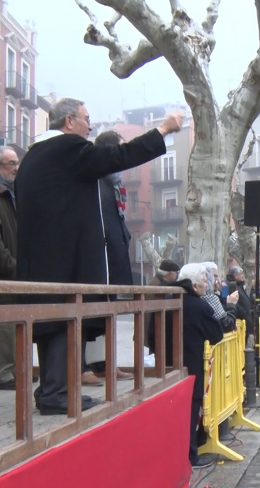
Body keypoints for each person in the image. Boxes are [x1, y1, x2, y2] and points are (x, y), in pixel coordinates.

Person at [15, 97, 183, 414]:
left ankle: (55, 390)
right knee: (63, 323)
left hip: (43, 260)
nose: (90, 125)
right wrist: (163, 130)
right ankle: (55, 394)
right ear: (69, 122)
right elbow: (118, 155)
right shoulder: (66, 150)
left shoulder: (36, 156)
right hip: (64, 262)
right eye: (86, 118)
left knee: (55, 327)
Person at [84, 130, 135, 381]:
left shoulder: (113, 185)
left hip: (112, 260)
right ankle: (86, 368)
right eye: (120, 150)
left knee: (108, 316)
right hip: (99, 263)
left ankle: (106, 365)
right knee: (89, 318)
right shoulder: (95, 182)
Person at [175, 263, 224, 468]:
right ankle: (191, 456)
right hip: (193, 364)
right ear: (194, 286)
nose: (207, 285)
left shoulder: (170, 300)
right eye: (204, 281)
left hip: (169, 364)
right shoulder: (200, 305)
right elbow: (216, 334)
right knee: (192, 409)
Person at [0, 147, 18, 390]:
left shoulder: (12, 195)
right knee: (5, 325)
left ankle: (13, 372)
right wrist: (13, 266)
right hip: (5, 274)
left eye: (16, 163)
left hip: (13, 273)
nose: (15, 168)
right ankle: (5, 375)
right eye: (10, 164)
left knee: (13, 324)